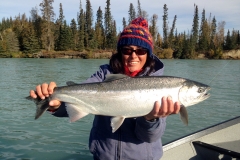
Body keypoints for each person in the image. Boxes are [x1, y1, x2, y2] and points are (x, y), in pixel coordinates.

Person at [30, 17, 180, 160]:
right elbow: (78, 96)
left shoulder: (160, 86)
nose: (133, 56)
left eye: (140, 50)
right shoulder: (104, 74)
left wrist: (150, 118)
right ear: (120, 51)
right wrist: (55, 105)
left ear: (148, 54)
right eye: (127, 50)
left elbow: (149, 137)